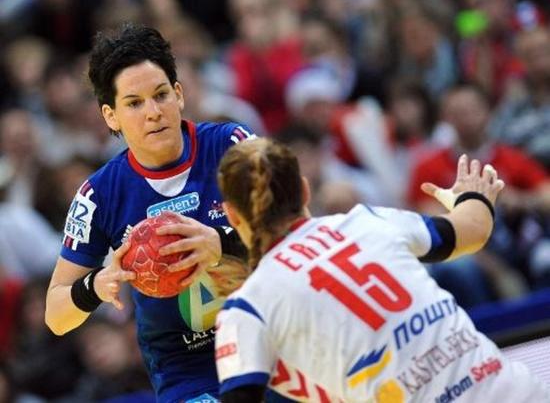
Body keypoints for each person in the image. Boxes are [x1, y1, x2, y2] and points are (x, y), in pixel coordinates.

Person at [214, 138, 549, 402]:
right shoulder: (368, 220)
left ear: (232, 216)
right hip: (519, 392)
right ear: (304, 189)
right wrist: (472, 195)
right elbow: (473, 230)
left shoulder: (245, 309)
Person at [45, 24, 253, 402]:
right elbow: (56, 315)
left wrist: (223, 246)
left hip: (266, 335)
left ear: (179, 94)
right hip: (189, 371)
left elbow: (295, 236)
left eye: (160, 95)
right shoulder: (99, 195)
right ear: (111, 116)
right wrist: (97, 285)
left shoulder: (233, 147)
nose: (153, 112)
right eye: (134, 103)